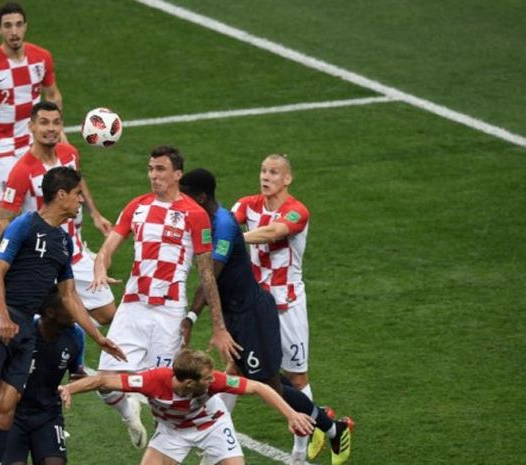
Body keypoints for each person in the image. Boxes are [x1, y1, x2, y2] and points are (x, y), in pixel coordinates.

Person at [0, 166, 126, 465]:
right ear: (61, 195)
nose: (82, 201)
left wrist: (99, 336)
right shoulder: (24, 225)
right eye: (78, 195)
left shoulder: (63, 242)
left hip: (24, 326)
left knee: (5, 409)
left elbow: (69, 296)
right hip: (0, 317)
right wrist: (2, 317)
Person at [179, 168, 353, 465]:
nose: (180, 202)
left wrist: (193, 317)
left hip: (253, 315)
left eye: (184, 196)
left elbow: (209, 279)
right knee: (252, 376)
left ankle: (330, 428)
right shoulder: (211, 219)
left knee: (269, 384)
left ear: (201, 197)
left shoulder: (223, 226)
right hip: (239, 313)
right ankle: (328, 424)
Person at [88, 146, 241, 449]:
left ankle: (197, 443)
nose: (153, 175)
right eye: (150, 169)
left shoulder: (195, 216)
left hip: (168, 313)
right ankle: (128, 412)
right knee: (104, 383)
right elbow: (108, 247)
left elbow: (207, 274)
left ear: (177, 175)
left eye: (160, 169)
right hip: (132, 308)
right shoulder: (137, 206)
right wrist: (99, 268)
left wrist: (218, 326)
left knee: (168, 395)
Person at [0, 1, 67, 288]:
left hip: (32, 141)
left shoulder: (41, 58)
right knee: (12, 211)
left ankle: (70, 251)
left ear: (26, 26)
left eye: (19, 24)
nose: (14, 31)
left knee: (51, 198)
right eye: (8, 26)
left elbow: (52, 93)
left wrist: (59, 131)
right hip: (0, 146)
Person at [60, 349, 314, 465]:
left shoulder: (213, 381)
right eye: (207, 379)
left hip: (211, 424)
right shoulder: (152, 381)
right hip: (173, 431)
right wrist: (69, 389)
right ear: (190, 383)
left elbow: (259, 387)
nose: (214, 380)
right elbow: (104, 380)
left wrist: (291, 414)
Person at [0, 101, 116, 326]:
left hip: (75, 251)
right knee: (48, 317)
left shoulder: (70, 154)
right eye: (44, 123)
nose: (50, 128)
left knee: (107, 314)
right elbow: (2, 222)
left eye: (56, 123)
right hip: (44, 257)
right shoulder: (21, 172)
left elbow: (78, 182)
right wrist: (24, 253)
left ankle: (60, 323)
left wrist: (95, 214)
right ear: (31, 126)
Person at [231, 154, 315, 461]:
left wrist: (235, 240)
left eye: (274, 172)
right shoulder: (247, 205)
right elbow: (225, 220)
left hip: (287, 304)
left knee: (296, 378)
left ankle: (299, 451)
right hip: (253, 305)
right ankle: (217, 442)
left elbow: (273, 232)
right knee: (233, 369)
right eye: (263, 171)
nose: (266, 177)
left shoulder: (297, 212)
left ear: (287, 179)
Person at [0, 291, 82, 465]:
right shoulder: (24, 328)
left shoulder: (76, 335)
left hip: (48, 414)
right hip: (12, 414)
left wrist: (80, 378)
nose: (77, 308)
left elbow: (75, 369)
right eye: (70, 305)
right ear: (51, 312)